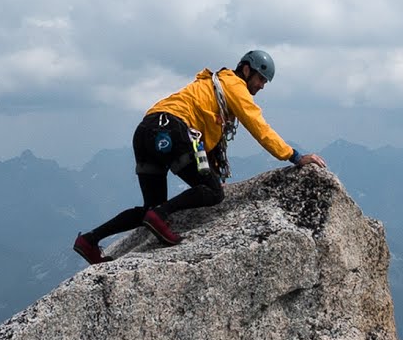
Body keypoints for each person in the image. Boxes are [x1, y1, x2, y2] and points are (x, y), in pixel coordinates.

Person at [73, 49, 326, 263]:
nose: (261, 86)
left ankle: (89, 241)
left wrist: (211, 172)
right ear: (246, 70)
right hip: (172, 128)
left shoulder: (211, 87)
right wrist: (294, 156)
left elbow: (203, 140)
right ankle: (160, 215)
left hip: (146, 131)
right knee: (213, 192)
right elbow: (259, 127)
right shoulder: (234, 86)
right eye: (261, 78)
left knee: (150, 209)